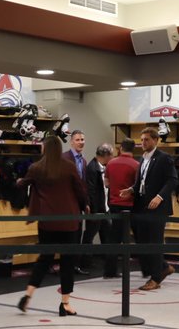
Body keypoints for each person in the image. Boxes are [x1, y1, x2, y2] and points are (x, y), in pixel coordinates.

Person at [16, 133, 87, 316]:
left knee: (44, 259)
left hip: (47, 222)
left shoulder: (36, 167)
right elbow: (80, 191)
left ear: (45, 148)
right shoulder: (69, 167)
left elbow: (22, 185)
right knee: (67, 262)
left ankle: (28, 295)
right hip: (69, 222)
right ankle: (65, 304)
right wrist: (85, 206)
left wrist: (19, 181)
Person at [129, 126, 177, 291]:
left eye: (147, 139)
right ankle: (163, 267)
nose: (143, 142)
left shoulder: (164, 158)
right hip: (141, 207)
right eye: (141, 140)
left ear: (156, 140)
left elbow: (172, 180)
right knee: (142, 242)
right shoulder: (142, 159)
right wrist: (130, 190)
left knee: (154, 242)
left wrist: (160, 196)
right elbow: (140, 182)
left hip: (158, 209)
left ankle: (156, 278)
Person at [83, 143, 117, 277]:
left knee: (107, 236)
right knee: (89, 235)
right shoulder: (92, 168)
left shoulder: (104, 167)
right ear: (106, 155)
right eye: (112, 154)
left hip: (105, 208)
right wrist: (94, 210)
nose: (113, 157)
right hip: (97, 210)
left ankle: (108, 265)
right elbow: (91, 191)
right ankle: (84, 263)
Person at [63, 129, 91, 274]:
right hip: (66, 204)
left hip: (78, 205)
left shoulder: (83, 161)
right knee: (67, 236)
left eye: (82, 140)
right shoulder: (64, 158)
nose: (81, 142)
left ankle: (74, 265)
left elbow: (83, 185)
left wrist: (85, 203)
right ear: (71, 141)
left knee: (77, 235)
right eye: (78, 140)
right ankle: (66, 266)